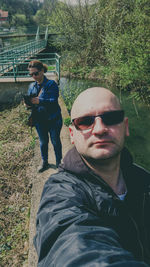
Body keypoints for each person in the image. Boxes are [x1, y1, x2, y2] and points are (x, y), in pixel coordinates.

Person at [34, 87, 150, 266]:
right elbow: (70, 245)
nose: (100, 129)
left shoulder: (143, 180)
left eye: (111, 118)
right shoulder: (60, 193)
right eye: (85, 121)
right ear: (72, 135)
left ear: (125, 127)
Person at [25, 60, 62, 172]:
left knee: (55, 142)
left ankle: (59, 164)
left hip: (53, 119)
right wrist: (28, 104)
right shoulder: (31, 86)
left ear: (42, 71)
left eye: (35, 73)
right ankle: (44, 162)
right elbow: (31, 103)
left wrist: (39, 101)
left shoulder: (51, 84)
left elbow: (53, 100)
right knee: (43, 142)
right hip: (39, 120)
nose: (34, 76)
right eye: (31, 74)